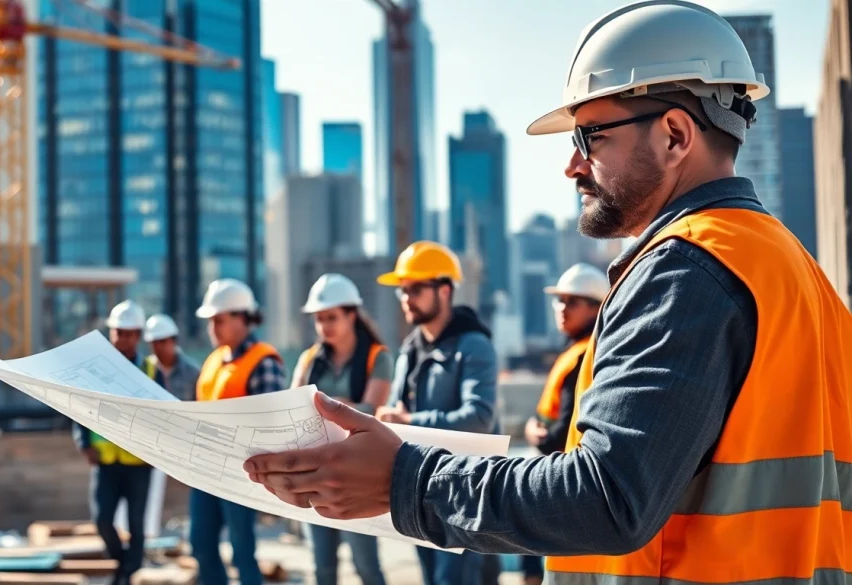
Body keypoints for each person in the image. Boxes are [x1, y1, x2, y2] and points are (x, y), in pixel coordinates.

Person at [241, 2, 852, 585]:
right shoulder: (795, 271)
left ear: (673, 135)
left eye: (591, 136)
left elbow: (608, 498)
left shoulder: (686, 269)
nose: (572, 166)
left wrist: (407, 481)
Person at [369, 241, 501, 585]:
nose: (405, 298)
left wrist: (408, 421)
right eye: (402, 290)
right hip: (417, 490)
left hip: (466, 493)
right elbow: (396, 412)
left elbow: (478, 419)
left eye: (415, 289)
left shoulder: (474, 346)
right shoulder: (409, 351)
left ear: (444, 291)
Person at [292, 273, 391, 585]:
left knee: (367, 567)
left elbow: (370, 413)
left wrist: (326, 407)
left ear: (351, 314)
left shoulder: (378, 357)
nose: (324, 326)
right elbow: (293, 408)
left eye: (331, 317)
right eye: (319, 319)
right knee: (322, 569)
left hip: (357, 476)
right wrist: (342, 404)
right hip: (314, 473)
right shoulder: (309, 360)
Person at [191, 278, 287, 585]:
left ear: (242, 318)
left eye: (219, 320)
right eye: (210, 321)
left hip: (241, 473)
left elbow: (269, 424)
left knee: (242, 550)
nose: (212, 328)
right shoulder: (213, 361)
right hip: (206, 470)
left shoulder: (263, 362)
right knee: (201, 545)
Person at [520, 263, 609, 585]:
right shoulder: (576, 351)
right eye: (560, 300)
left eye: (573, 301)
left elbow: (559, 436)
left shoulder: (585, 355)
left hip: (558, 476)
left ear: (598, 307)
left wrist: (533, 432)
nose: (562, 309)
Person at [72, 299, 154, 585]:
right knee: (102, 520)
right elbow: (80, 406)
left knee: (136, 525)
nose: (123, 338)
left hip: (138, 462)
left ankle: (126, 575)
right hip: (105, 461)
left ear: (139, 336)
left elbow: (164, 414)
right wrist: (83, 442)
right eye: (119, 332)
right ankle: (123, 567)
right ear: (111, 333)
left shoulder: (151, 370)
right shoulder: (96, 370)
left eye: (130, 333)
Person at [143, 313, 200, 401]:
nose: (158, 347)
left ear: (174, 340)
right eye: (154, 343)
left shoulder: (192, 372)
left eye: (162, 341)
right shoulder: (144, 369)